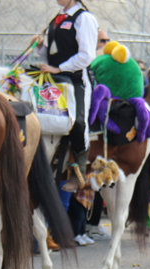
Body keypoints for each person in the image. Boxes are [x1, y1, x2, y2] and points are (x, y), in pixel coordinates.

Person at [32, 0, 99, 191]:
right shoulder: (57, 18)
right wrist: (40, 48)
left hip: (76, 80)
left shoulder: (84, 18)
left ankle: (78, 172)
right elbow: (54, 56)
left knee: (77, 122)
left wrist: (58, 68)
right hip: (55, 78)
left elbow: (86, 56)